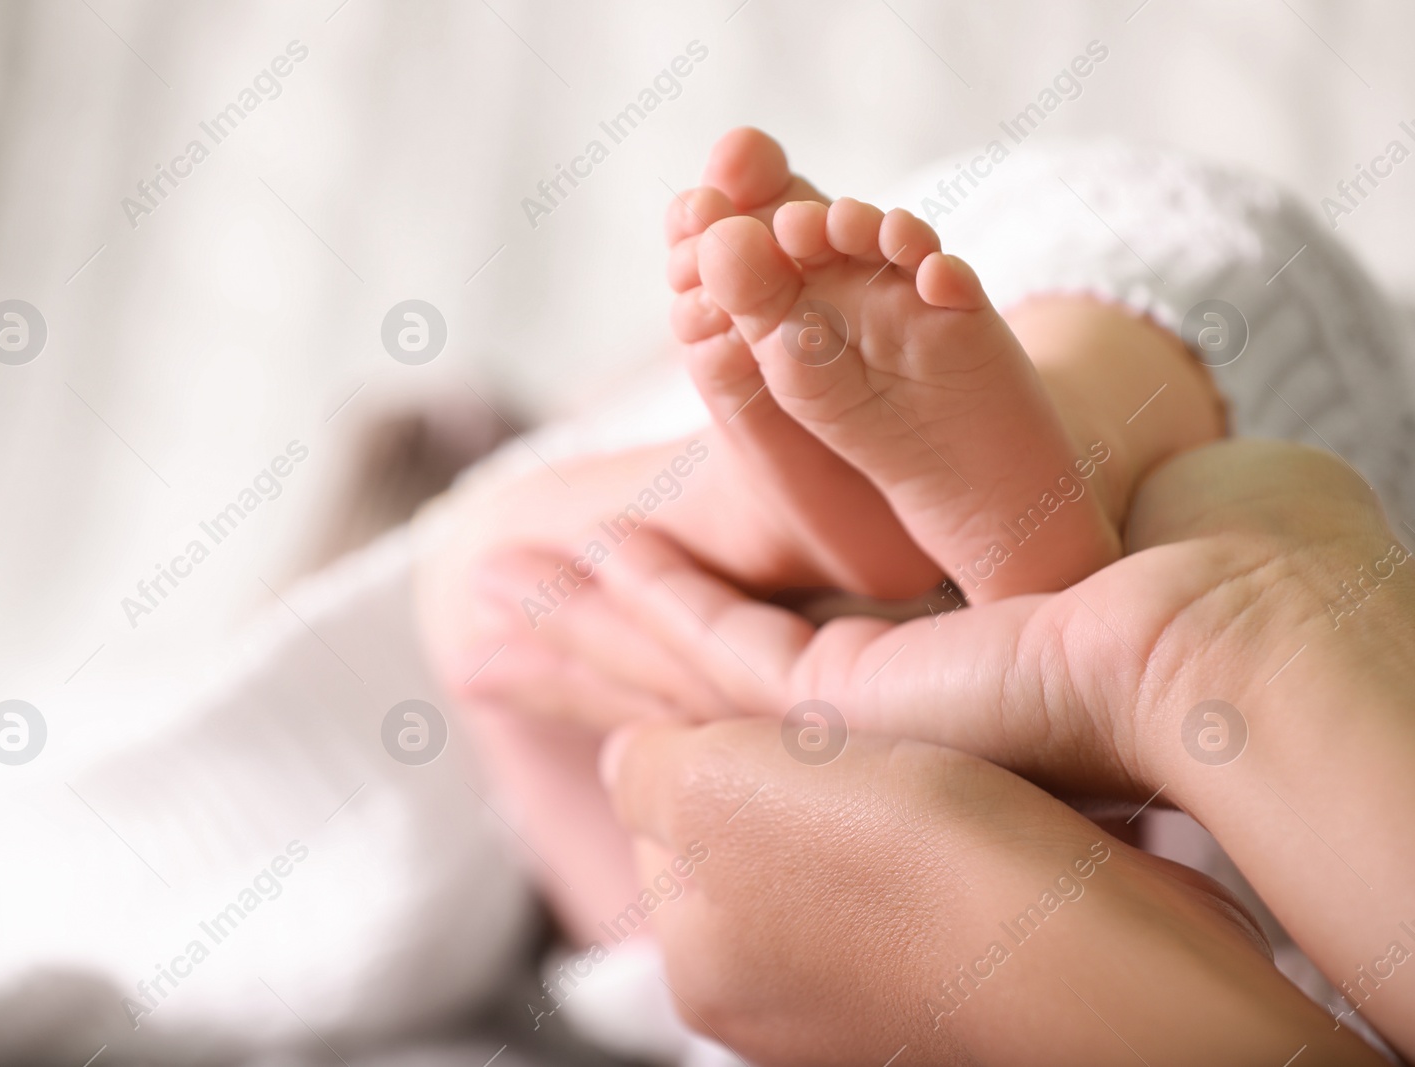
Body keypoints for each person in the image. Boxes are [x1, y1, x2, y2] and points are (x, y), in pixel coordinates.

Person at [415, 129, 1415, 1062]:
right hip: (1267, 764)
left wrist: (789, 677)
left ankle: (844, 504)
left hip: (1091, 810)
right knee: (1222, 302)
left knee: (483, 582)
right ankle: (1057, 452)